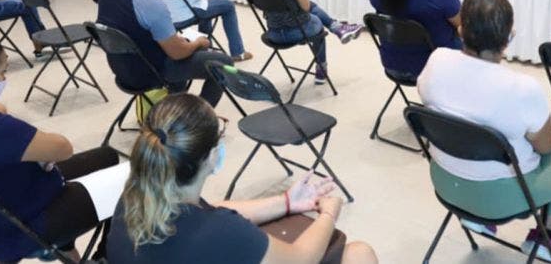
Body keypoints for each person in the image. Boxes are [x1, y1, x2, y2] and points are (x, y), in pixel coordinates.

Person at [107, 93, 378, 264]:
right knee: (359, 255)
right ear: (212, 155)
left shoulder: (134, 198)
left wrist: (286, 202)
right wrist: (328, 214)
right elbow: (299, 259)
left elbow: (212, 209)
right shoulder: (222, 232)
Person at [418, 0, 551, 264]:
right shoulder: (522, 88)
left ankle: (476, 220)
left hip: (446, 182)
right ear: (509, 37)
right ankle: (545, 237)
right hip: (503, 198)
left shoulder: (436, 61)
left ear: (461, 31)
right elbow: (546, 147)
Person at [0, 32, 120, 263]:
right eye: (2, 72)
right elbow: (63, 148)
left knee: (108, 156)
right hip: (20, 229)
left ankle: (66, 246)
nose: (4, 79)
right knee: (131, 184)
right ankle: (106, 257)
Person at [96, 0, 230, 107]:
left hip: (122, 67)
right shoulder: (151, 3)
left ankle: (174, 107)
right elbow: (177, 53)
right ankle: (196, 117)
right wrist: (198, 43)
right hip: (151, 71)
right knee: (224, 63)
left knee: (183, 48)